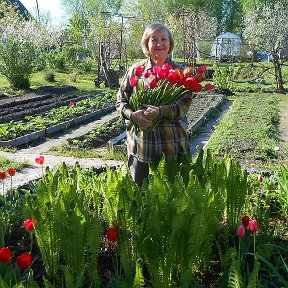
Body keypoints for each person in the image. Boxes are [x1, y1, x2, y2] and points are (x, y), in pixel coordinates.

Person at [116, 23, 192, 186]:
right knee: (140, 194)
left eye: (164, 39)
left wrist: (160, 111)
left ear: (170, 44)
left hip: (172, 145)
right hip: (141, 147)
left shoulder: (180, 72)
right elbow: (120, 101)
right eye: (153, 40)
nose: (159, 44)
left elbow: (184, 104)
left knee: (172, 197)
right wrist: (132, 115)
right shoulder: (136, 70)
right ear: (146, 44)